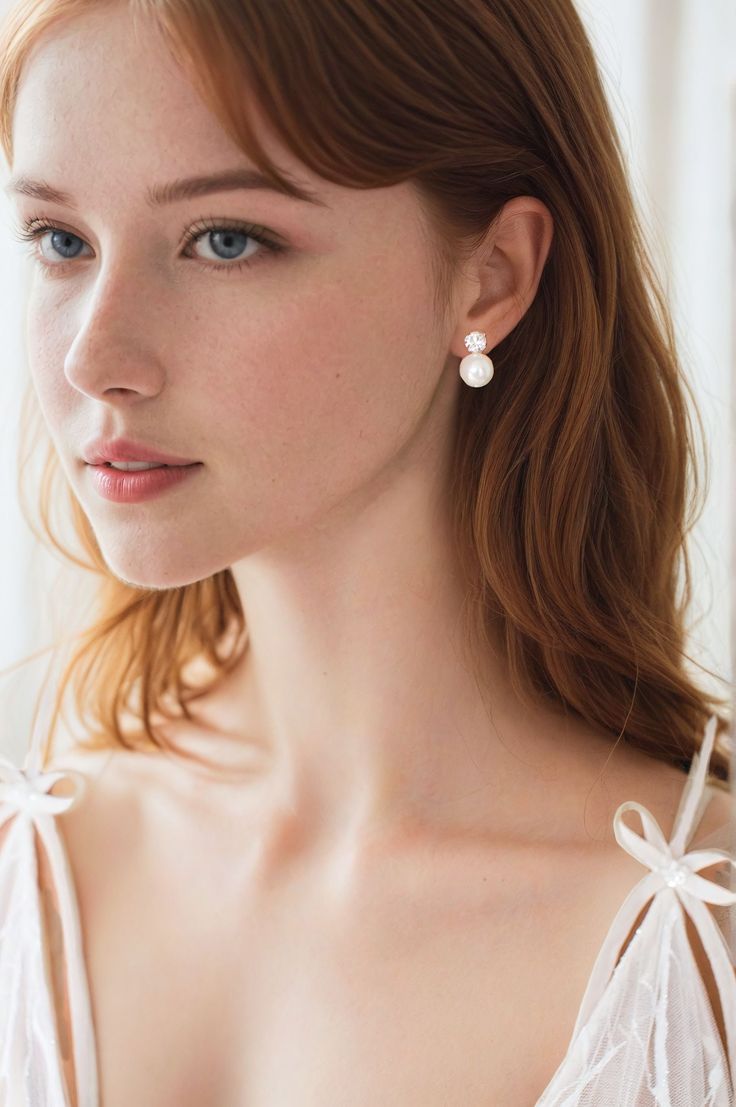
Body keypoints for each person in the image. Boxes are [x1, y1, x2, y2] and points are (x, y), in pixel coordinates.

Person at [0, 0, 733, 1103]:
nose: (95, 359)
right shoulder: (31, 858)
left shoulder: (694, 948)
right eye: (63, 241)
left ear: (490, 277)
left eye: (225, 240)